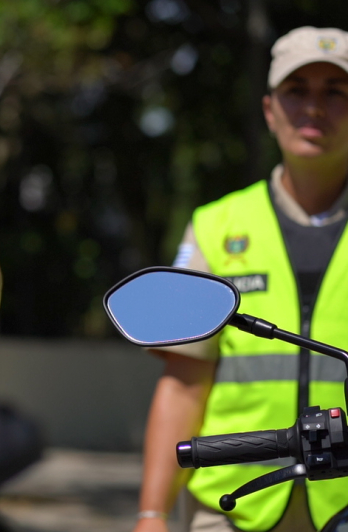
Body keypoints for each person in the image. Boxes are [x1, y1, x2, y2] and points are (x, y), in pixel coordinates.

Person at [133, 26, 348, 532]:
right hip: (232, 507)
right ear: (270, 110)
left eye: (335, 92)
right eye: (297, 91)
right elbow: (185, 383)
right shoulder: (216, 225)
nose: (314, 108)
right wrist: (151, 514)